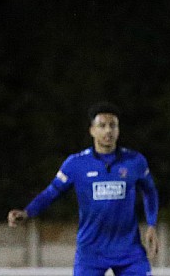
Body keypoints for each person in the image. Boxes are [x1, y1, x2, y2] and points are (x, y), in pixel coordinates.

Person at [8, 101, 159, 276]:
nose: (108, 130)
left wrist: (151, 224)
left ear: (118, 130)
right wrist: (28, 212)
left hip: (128, 251)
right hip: (91, 252)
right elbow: (51, 192)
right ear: (92, 130)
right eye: (102, 126)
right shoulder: (76, 164)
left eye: (113, 125)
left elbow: (150, 191)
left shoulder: (134, 161)